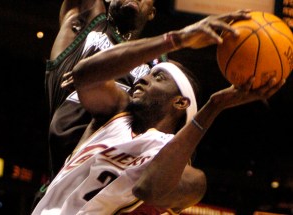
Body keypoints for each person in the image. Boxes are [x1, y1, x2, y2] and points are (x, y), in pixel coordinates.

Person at [32, 10, 285, 214]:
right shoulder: (115, 114)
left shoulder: (189, 176)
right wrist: (176, 39)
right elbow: (84, 75)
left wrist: (213, 107)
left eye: (158, 77)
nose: (142, 81)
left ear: (180, 103)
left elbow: (148, 188)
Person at [46, 0, 166, 179]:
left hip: (110, 183)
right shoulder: (85, 21)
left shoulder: (156, 65)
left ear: (152, 12)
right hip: (61, 178)